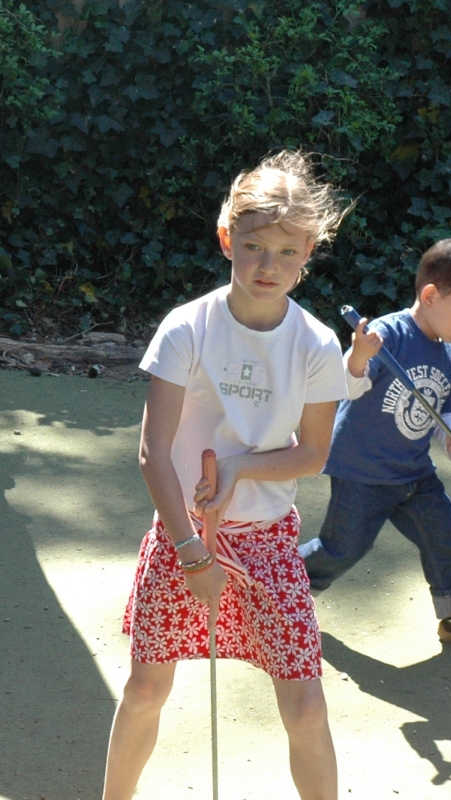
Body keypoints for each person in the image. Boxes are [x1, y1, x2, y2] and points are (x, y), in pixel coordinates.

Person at [101, 151, 350, 800]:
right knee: (146, 689)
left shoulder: (317, 344)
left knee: (307, 708)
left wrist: (240, 467)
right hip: (183, 534)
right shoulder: (188, 328)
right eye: (254, 246)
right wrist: (191, 553)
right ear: (226, 239)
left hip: (269, 542)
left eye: (288, 251)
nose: (269, 265)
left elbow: (313, 453)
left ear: (308, 253)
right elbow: (154, 452)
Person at [301, 239, 451, 651]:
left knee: (444, 537)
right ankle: (280, 587)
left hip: (414, 472)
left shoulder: (450, 357)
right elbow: (347, 387)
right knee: (342, 548)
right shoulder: (388, 336)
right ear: (431, 295)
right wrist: (358, 356)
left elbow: (442, 416)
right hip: (363, 471)